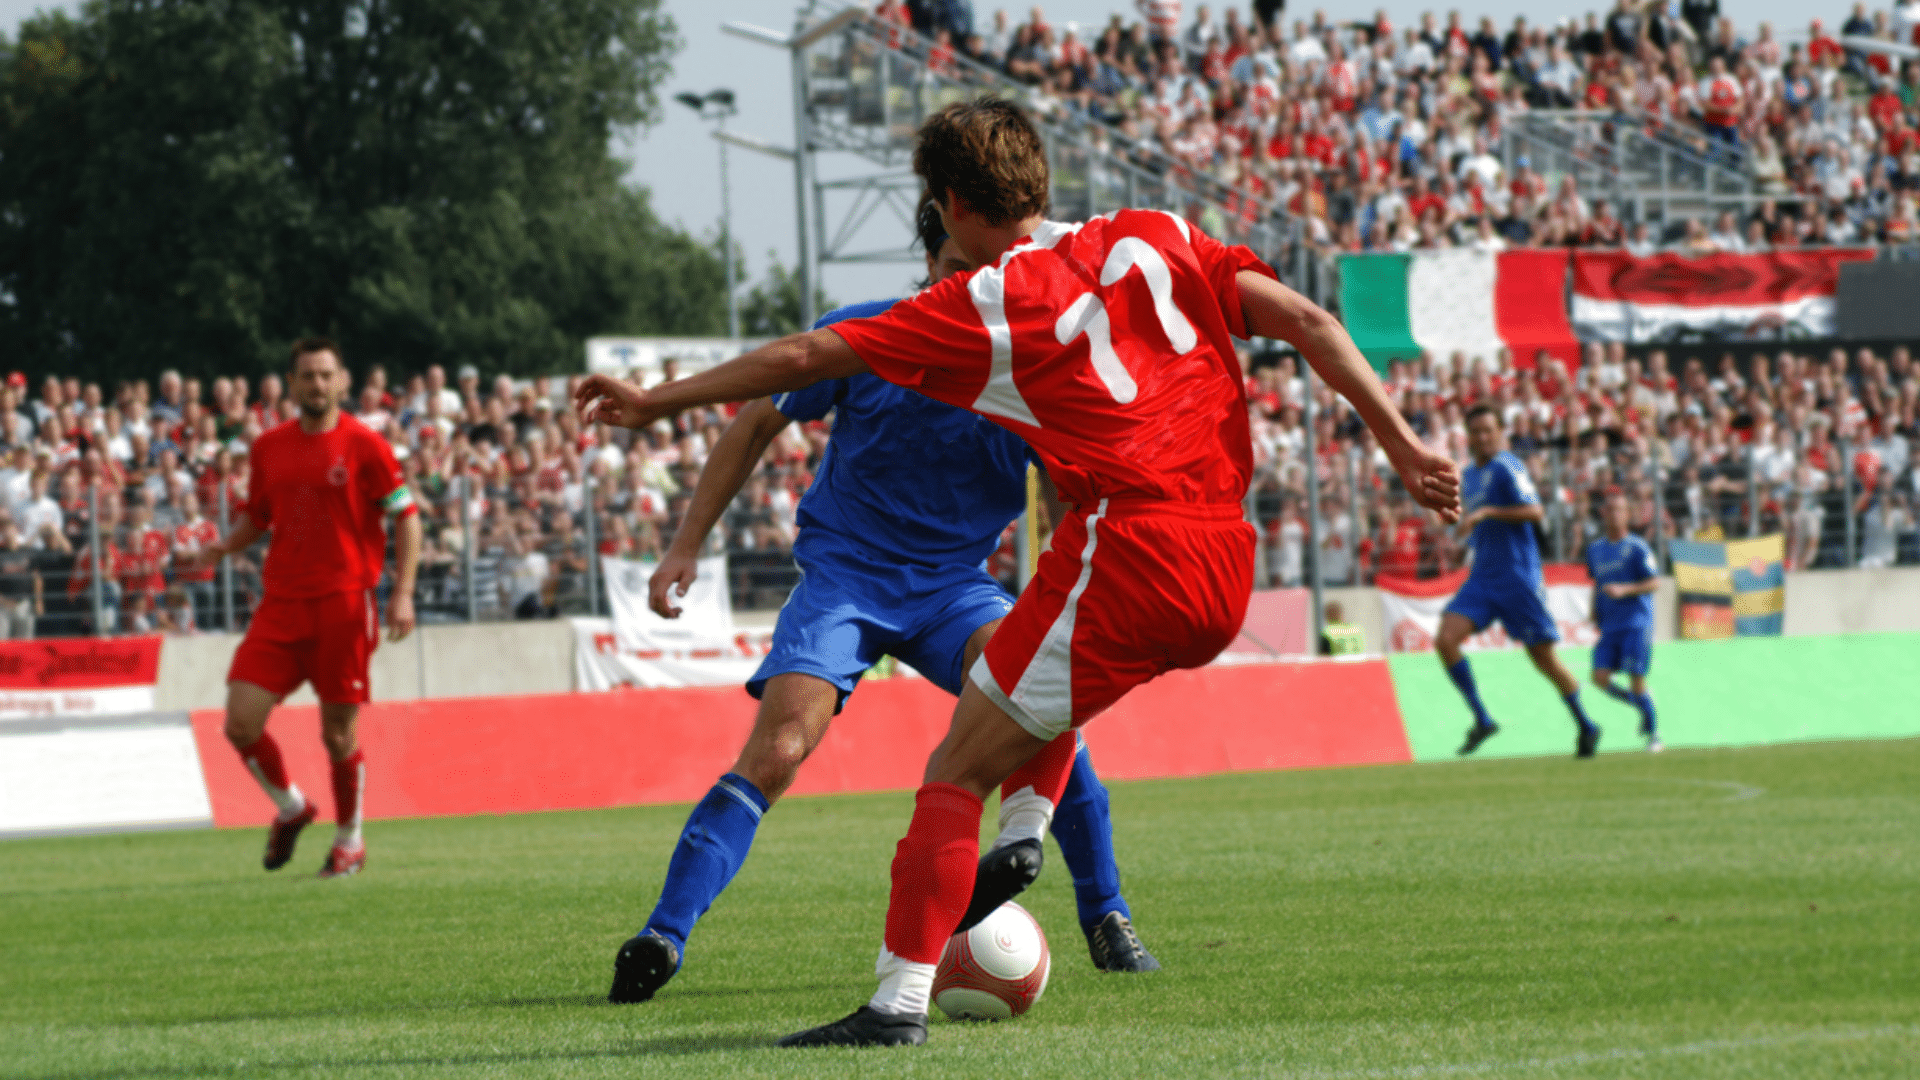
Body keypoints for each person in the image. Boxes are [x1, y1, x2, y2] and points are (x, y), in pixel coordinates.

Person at [575, 99, 1458, 1048]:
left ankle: (925, 983)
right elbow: (1308, 319)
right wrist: (1403, 447)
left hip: (1090, 551)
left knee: (962, 759)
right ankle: (711, 921)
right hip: (1196, 558)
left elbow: (800, 354)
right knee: (989, 702)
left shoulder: (983, 313)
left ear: (950, 204)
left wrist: (654, 401)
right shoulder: (1149, 233)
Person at [608, 197, 1158, 1008]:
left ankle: (1106, 913)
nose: (965, 287)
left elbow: (1096, 467)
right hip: (846, 582)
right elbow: (757, 420)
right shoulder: (869, 335)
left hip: (955, 588)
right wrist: (685, 542)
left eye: (980, 275)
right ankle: (664, 933)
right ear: (929, 269)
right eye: (950, 272)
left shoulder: (1031, 368)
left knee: (1042, 696)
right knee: (781, 748)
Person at [192, 339, 422, 879]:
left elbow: (407, 516)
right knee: (241, 722)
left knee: (337, 734)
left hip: (344, 604)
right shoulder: (269, 446)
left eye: (326, 375)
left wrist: (403, 593)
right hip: (281, 606)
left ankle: (350, 842)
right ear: (291, 384)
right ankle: (293, 808)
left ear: (342, 381)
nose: (316, 385)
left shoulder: (366, 445)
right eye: (306, 376)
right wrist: (225, 546)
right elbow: (260, 515)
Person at [1440, 405, 1601, 759]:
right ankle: (1482, 719)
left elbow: (1535, 511)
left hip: (1518, 578)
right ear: (1468, 436)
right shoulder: (1469, 476)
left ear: (1500, 433)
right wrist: (1463, 542)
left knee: (1543, 659)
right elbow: (1478, 525)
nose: (1482, 438)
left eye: (1488, 430)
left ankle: (1586, 724)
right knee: (1446, 639)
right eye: (1476, 432)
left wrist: (1486, 513)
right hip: (1483, 576)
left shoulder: (1508, 465)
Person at [1585, 488, 1662, 753]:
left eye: (1620, 509)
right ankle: (1642, 706)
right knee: (1599, 677)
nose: (1614, 515)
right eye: (1610, 510)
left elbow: (1655, 582)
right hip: (1610, 626)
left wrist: (1625, 589)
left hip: (1635, 623)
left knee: (1635, 678)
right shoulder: (1595, 549)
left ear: (1628, 515)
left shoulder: (1637, 548)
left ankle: (1654, 736)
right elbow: (1597, 582)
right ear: (1603, 514)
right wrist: (1593, 609)